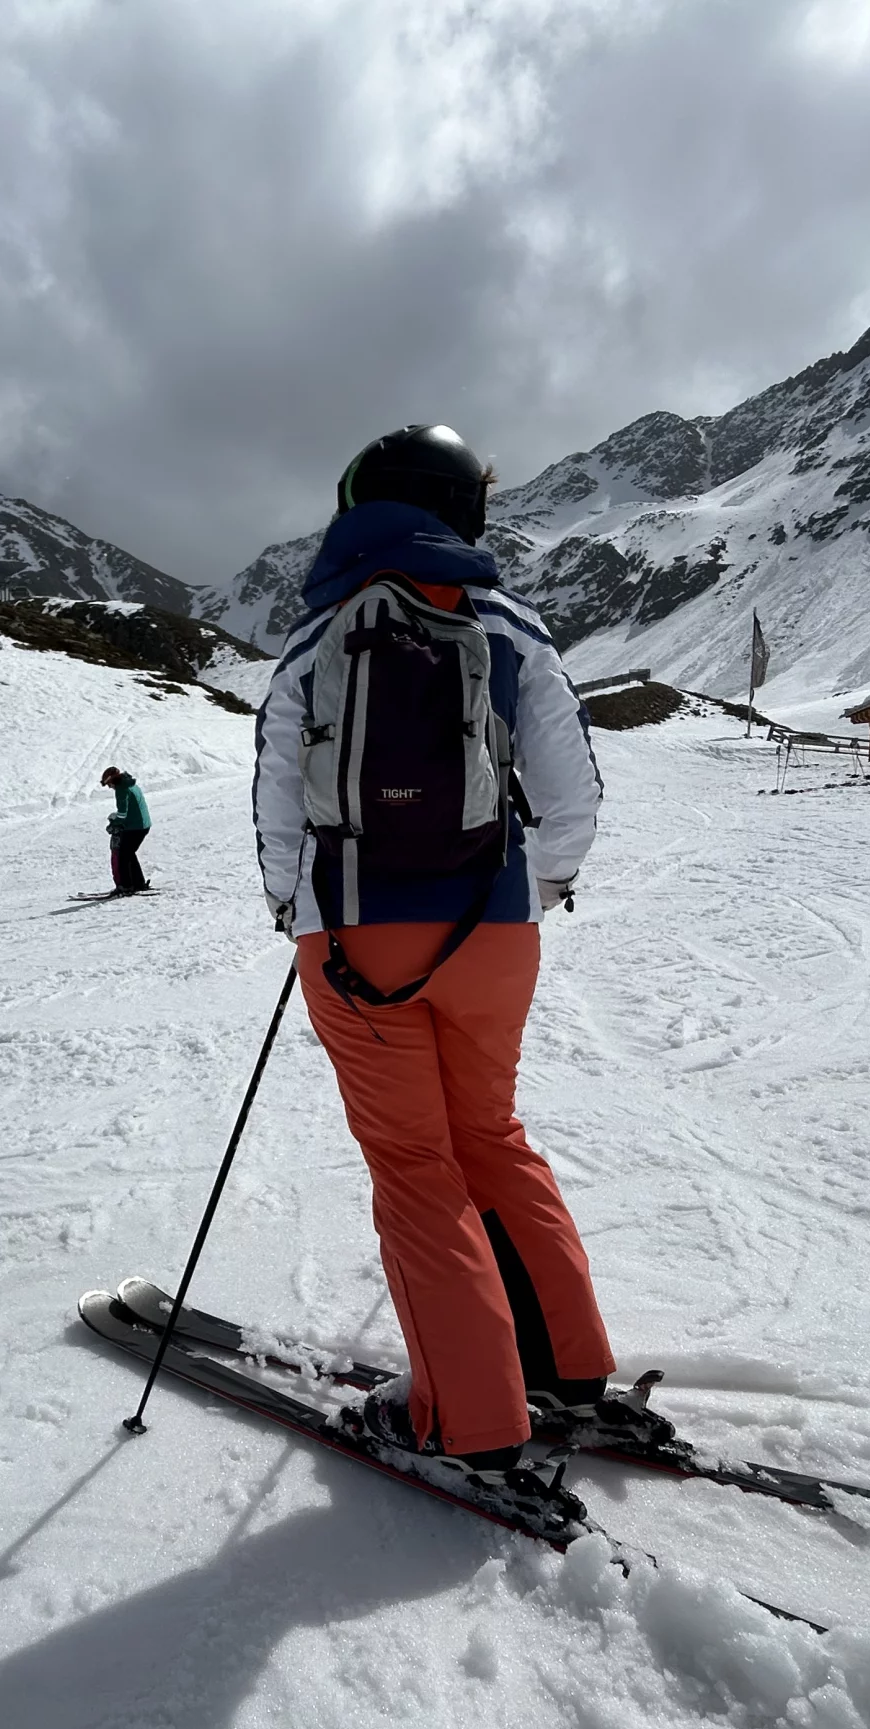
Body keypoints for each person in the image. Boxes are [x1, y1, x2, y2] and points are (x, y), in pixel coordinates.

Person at [252, 423, 613, 1476]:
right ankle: (568, 1370)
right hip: (493, 931)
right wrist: (532, 892)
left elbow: (279, 797)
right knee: (491, 1136)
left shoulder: (317, 634)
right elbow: (571, 792)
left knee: (415, 1166)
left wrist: (294, 910)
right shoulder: (510, 623)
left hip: (356, 940)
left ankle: (470, 1421)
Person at [101, 766, 152, 894]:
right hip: (142, 824)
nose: (110, 787)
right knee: (129, 853)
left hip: (136, 826)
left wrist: (114, 824)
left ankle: (126, 886)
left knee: (123, 855)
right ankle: (138, 883)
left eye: (109, 784)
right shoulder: (129, 784)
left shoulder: (121, 789)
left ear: (113, 780)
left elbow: (122, 814)